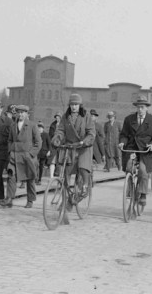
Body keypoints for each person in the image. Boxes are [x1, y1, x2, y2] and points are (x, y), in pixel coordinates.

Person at [51, 94, 96, 223]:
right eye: (72, 105)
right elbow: (60, 130)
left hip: (83, 148)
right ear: (69, 105)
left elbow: (91, 133)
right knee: (64, 172)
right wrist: (57, 139)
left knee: (83, 170)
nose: (74, 107)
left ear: (80, 105)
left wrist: (84, 142)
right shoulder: (65, 117)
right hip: (70, 148)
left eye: (76, 105)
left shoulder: (86, 116)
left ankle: (81, 191)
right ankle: (65, 202)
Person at [118, 96, 152, 209]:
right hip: (132, 148)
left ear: (147, 108)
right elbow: (124, 134)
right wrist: (122, 142)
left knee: (143, 171)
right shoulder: (129, 119)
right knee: (128, 168)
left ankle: (143, 194)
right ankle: (129, 189)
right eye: (138, 107)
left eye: (142, 107)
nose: (140, 110)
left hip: (145, 150)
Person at [4, 105, 42, 208]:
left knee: (30, 178)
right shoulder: (13, 126)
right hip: (14, 156)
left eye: (22, 112)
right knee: (11, 176)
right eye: (18, 112)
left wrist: (31, 154)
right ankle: (9, 198)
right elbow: (10, 140)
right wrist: (10, 150)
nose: (20, 114)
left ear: (26, 114)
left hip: (27, 157)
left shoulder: (32, 125)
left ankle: (30, 200)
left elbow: (38, 142)